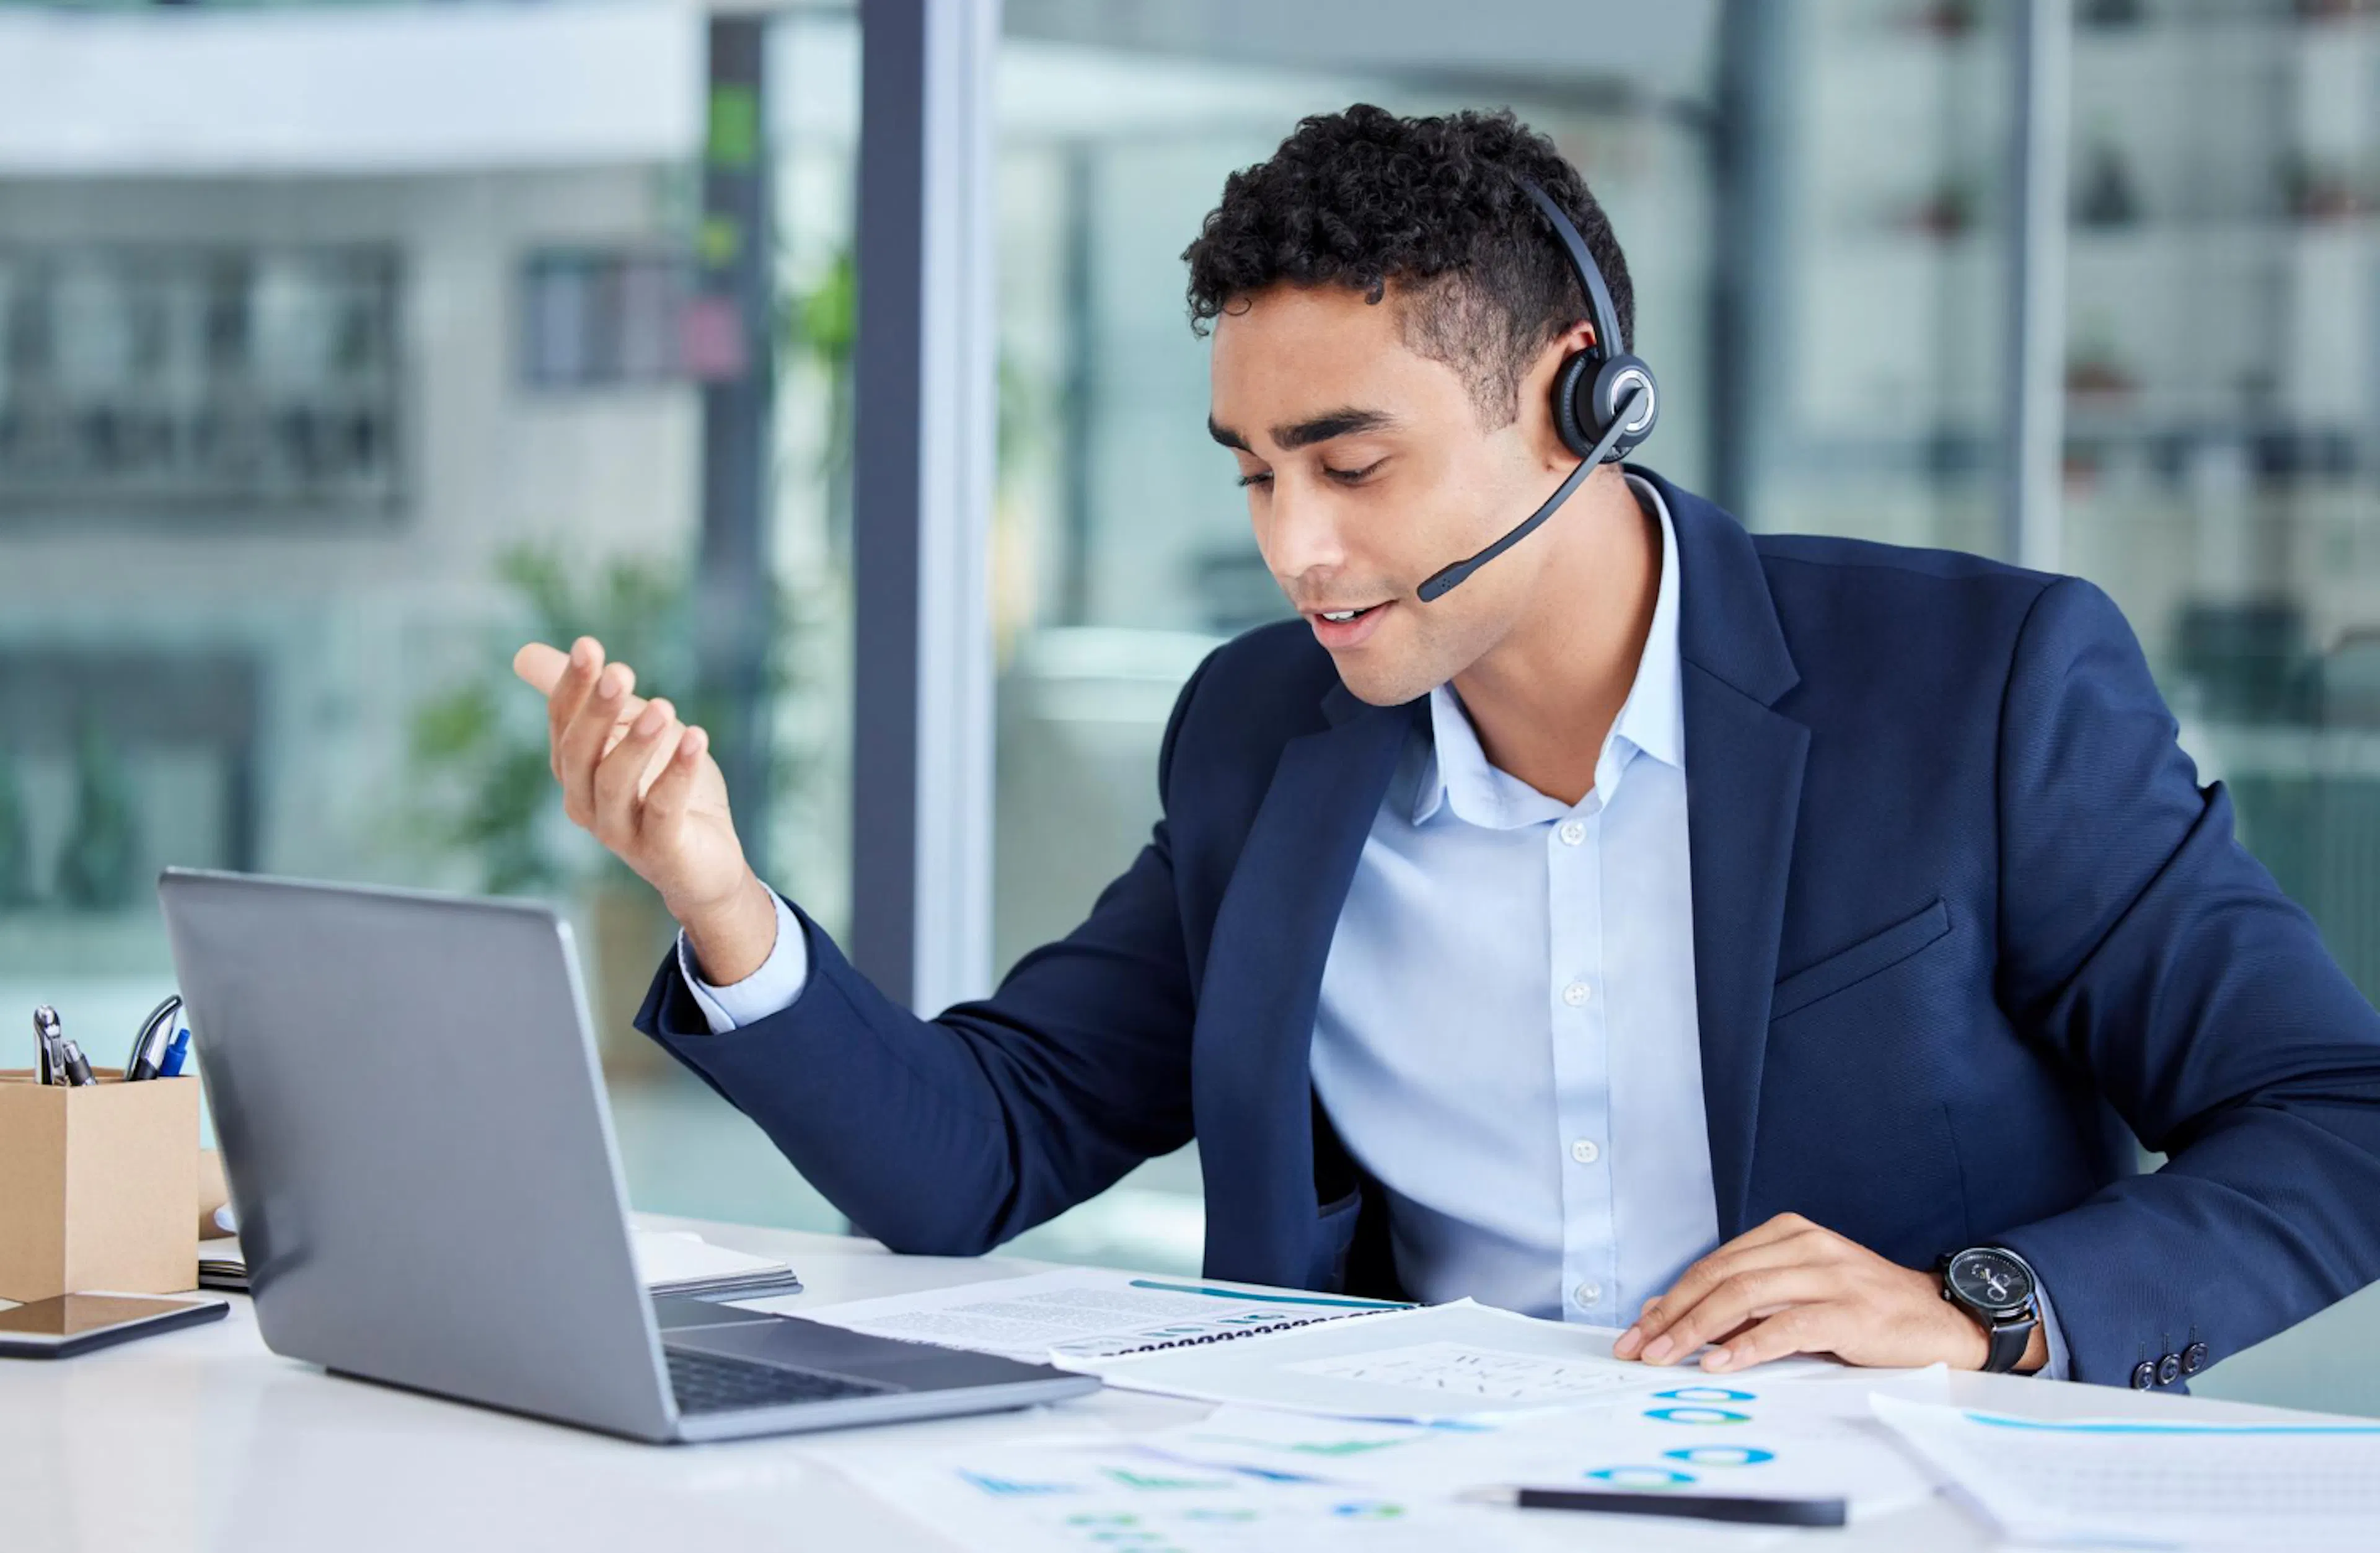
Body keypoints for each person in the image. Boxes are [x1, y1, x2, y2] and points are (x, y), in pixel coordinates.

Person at [514, 105, 2380, 1389]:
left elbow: (2339, 1121)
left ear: (1580, 397)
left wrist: (1987, 1309)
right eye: (1255, 473)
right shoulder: (1266, 737)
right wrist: (721, 897)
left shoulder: (1973, 684)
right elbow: (973, 1159)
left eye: (1353, 463)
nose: (1292, 547)